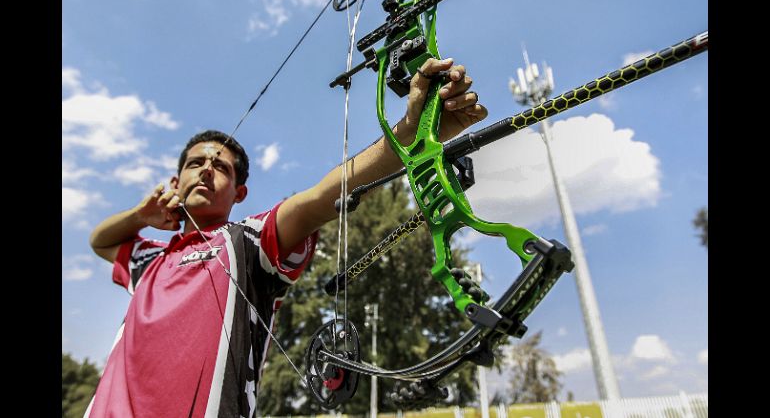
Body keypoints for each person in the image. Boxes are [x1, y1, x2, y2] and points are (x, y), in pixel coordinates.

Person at [84, 57, 488, 417]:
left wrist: (410, 133)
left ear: (239, 193)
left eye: (220, 167)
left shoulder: (249, 241)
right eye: (195, 163)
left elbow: (319, 198)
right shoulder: (150, 260)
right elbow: (100, 241)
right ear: (177, 179)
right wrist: (142, 214)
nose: (206, 170)